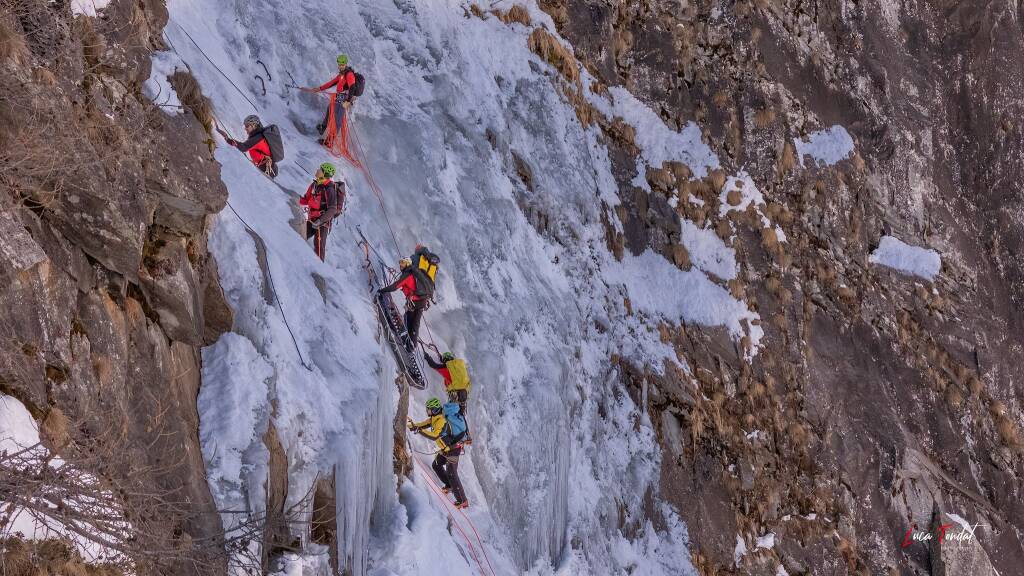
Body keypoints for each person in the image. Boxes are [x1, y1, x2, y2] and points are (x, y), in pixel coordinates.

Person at [408, 397, 468, 508]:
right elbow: (422, 425)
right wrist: (412, 426)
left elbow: (435, 435)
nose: (427, 411)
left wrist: (419, 431)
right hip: (446, 449)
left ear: (434, 409)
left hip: (453, 449)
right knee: (436, 465)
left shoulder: (441, 420)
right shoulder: (434, 418)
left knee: (452, 473)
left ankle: (462, 500)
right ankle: (449, 486)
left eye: (429, 409)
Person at [377, 255, 433, 351]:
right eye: (400, 263)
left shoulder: (407, 274)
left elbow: (395, 286)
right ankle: (412, 345)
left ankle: (406, 341)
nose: (400, 265)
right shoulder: (415, 273)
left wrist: (381, 290)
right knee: (415, 323)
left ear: (407, 263)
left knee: (408, 321)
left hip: (414, 302)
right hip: (422, 301)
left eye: (402, 262)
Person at [424, 350, 473, 444]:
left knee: (450, 414)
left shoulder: (449, 368)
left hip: (456, 395)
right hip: (463, 395)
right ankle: (466, 436)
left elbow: (434, 365)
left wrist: (427, 357)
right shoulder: (458, 368)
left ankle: (457, 436)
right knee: (460, 415)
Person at [298, 163, 345, 261]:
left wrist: (320, 221)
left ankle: (319, 270)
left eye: (321, 169)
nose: (318, 170)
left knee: (319, 248)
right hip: (312, 219)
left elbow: (332, 209)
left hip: (323, 222)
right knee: (299, 235)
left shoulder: (330, 189)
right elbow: (306, 199)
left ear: (325, 174)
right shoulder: (314, 185)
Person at [307, 55, 359, 142]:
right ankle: (323, 127)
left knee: (337, 119)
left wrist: (348, 101)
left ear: (346, 64)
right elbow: (331, 83)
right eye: (339, 64)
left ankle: (330, 141)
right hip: (339, 97)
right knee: (329, 109)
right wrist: (318, 89)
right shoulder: (341, 75)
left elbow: (352, 87)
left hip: (344, 99)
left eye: (342, 64)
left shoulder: (349, 74)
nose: (341, 66)